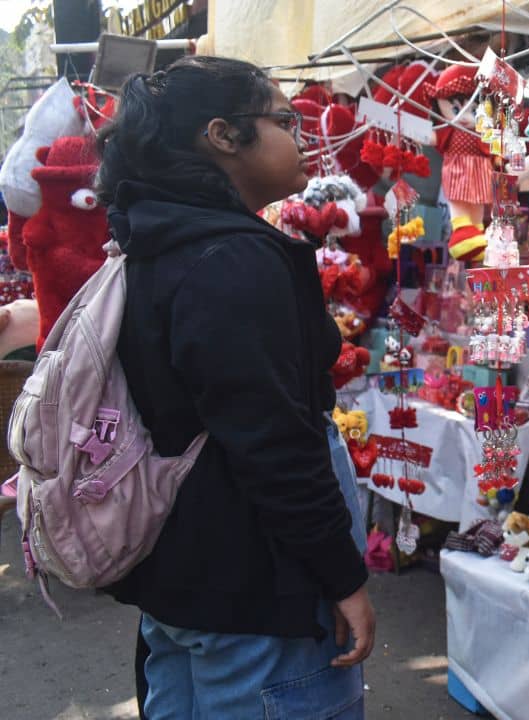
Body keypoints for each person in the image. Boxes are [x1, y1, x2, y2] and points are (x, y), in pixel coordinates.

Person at [95, 55, 374, 719]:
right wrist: (343, 577)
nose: (301, 135)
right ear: (222, 135)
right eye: (284, 120)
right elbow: (275, 443)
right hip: (257, 591)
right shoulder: (231, 258)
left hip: (186, 581)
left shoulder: (156, 240)